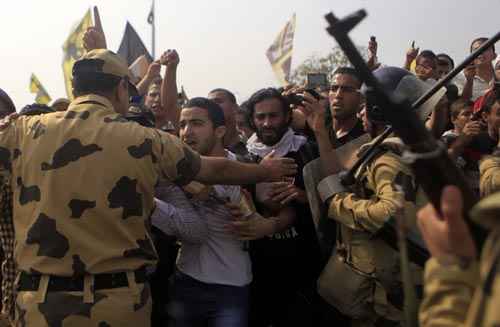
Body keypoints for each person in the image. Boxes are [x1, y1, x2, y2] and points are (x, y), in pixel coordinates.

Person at [0, 49, 295, 327]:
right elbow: (209, 169)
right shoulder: (145, 139)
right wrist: (262, 170)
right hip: (118, 303)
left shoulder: (23, 131)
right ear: (120, 90)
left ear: (75, 89)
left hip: (40, 303)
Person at [313, 67, 429, 327]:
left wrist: (338, 201)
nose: (362, 112)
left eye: (367, 106)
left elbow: (392, 214)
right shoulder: (417, 148)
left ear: (377, 112)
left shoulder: (388, 159)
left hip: (388, 296)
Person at [231, 87, 321, 327]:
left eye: (274, 116)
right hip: (257, 267)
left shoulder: (308, 150)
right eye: (261, 117)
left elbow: (332, 198)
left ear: (287, 117)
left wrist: (303, 196)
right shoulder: (241, 158)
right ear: (252, 120)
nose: (267, 123)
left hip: (303, 264)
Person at [162, 97, 254, 327]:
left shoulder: (246, 168)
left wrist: (261, 223)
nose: (186, 132)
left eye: (197, 123)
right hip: (186, 281)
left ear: (220, 130)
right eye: (182, 125)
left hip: (231, 288)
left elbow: (259, 216)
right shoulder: (174, 169)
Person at [208, 88, 248, 155]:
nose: (212, 106)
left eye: (218, 101)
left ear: (235, 107)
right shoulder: (203, 148)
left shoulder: (254, 147)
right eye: (209, 104)